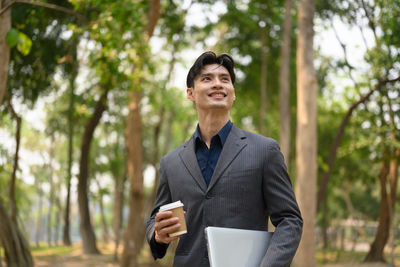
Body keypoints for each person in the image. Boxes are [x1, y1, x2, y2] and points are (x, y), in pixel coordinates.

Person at [146, 51, 303, 267]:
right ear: (190, 93)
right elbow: (156, 218)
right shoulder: (171, 162)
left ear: (233, 93)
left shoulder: (265, 151)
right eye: (207, 78)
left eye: (225, 79)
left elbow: (290, 220)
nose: (218, 84)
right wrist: (157, 235)